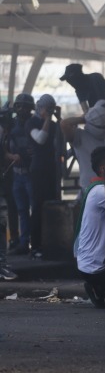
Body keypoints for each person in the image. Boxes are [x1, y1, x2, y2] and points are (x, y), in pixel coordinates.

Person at [75, 145, 105, 308]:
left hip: (89, 263)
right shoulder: (101, 192)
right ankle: (100, 288)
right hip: (95, 267)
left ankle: (102, 290)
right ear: (103, 169)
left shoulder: (98, 188)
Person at [61, 100, 105, 199]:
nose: (102, 128)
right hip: (89, 187)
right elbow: (64, 124)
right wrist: (83, 117)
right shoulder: (80, 136)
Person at [26, 94, 62, 259]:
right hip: (38, 169)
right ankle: (36, 245)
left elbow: (60, 145)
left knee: (52, 204)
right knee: (38, 206)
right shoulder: (32, 122)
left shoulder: (54, 125)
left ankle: (51, 242)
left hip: (52, 169)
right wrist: (48, 119)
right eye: (47, 108)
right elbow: (40, 139)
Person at [6, 94, 35, 256]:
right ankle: (23, 242)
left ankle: (31, 242)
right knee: (22, 210)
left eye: (25, 106)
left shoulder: (35, 123)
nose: (22, 109)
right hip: (17, 174)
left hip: (31, 174)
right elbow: (4, 149)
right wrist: (12, 156)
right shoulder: (11, 125)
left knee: (33, 209)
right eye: (20, 106)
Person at [0, 102, 20, 253]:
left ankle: (14, 238)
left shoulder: (14, 131)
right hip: (6, 173)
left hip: (10, 175)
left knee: (13, 208)